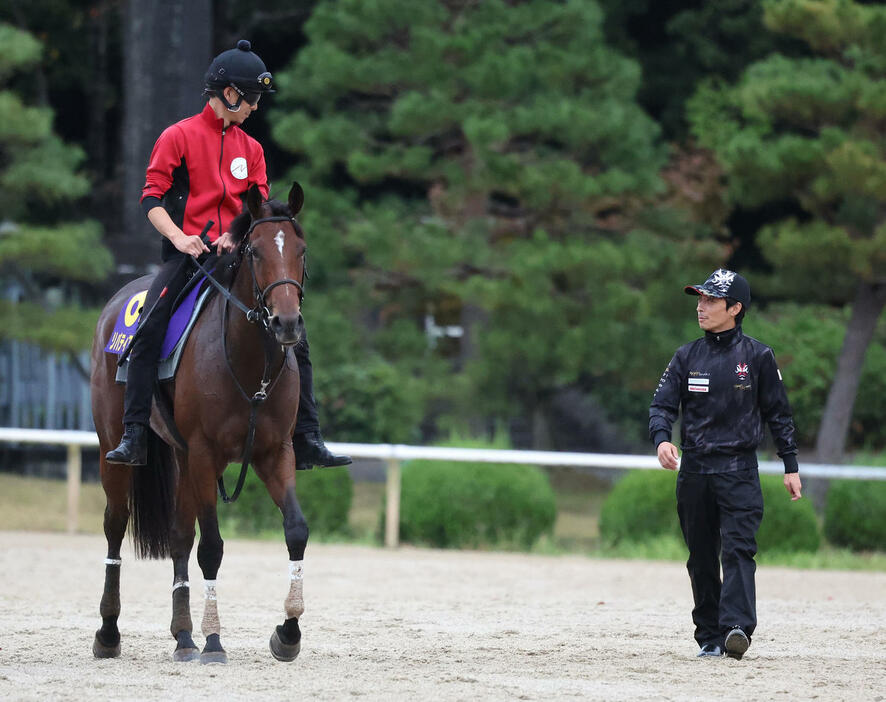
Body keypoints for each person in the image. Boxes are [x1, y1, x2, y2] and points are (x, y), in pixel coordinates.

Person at [106, 40, 351, 472]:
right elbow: (151, 198)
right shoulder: (177, 136)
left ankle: (308, 437)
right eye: (252, 99)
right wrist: (181, 238)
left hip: (236, 258)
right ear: (229, 94)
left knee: (299, 338)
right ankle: (135, 434)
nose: (255, 108)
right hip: (187, 256)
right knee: (149, 327)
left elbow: (259, 213)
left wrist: (236, 240)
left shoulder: (252, 150)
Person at [648, 269, 802, 660]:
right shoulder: (686, 356)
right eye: (699, 299)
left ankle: (736, 628)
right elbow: (661, 406)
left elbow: (779, 414)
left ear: (735, 308)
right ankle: (709, 637)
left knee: (737, 551)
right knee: (700, 556)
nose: (701, 307)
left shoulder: (758, 357)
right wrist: (662, 438)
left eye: (711, 301)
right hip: (695, 471)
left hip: (739, 472)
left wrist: (790, 464)